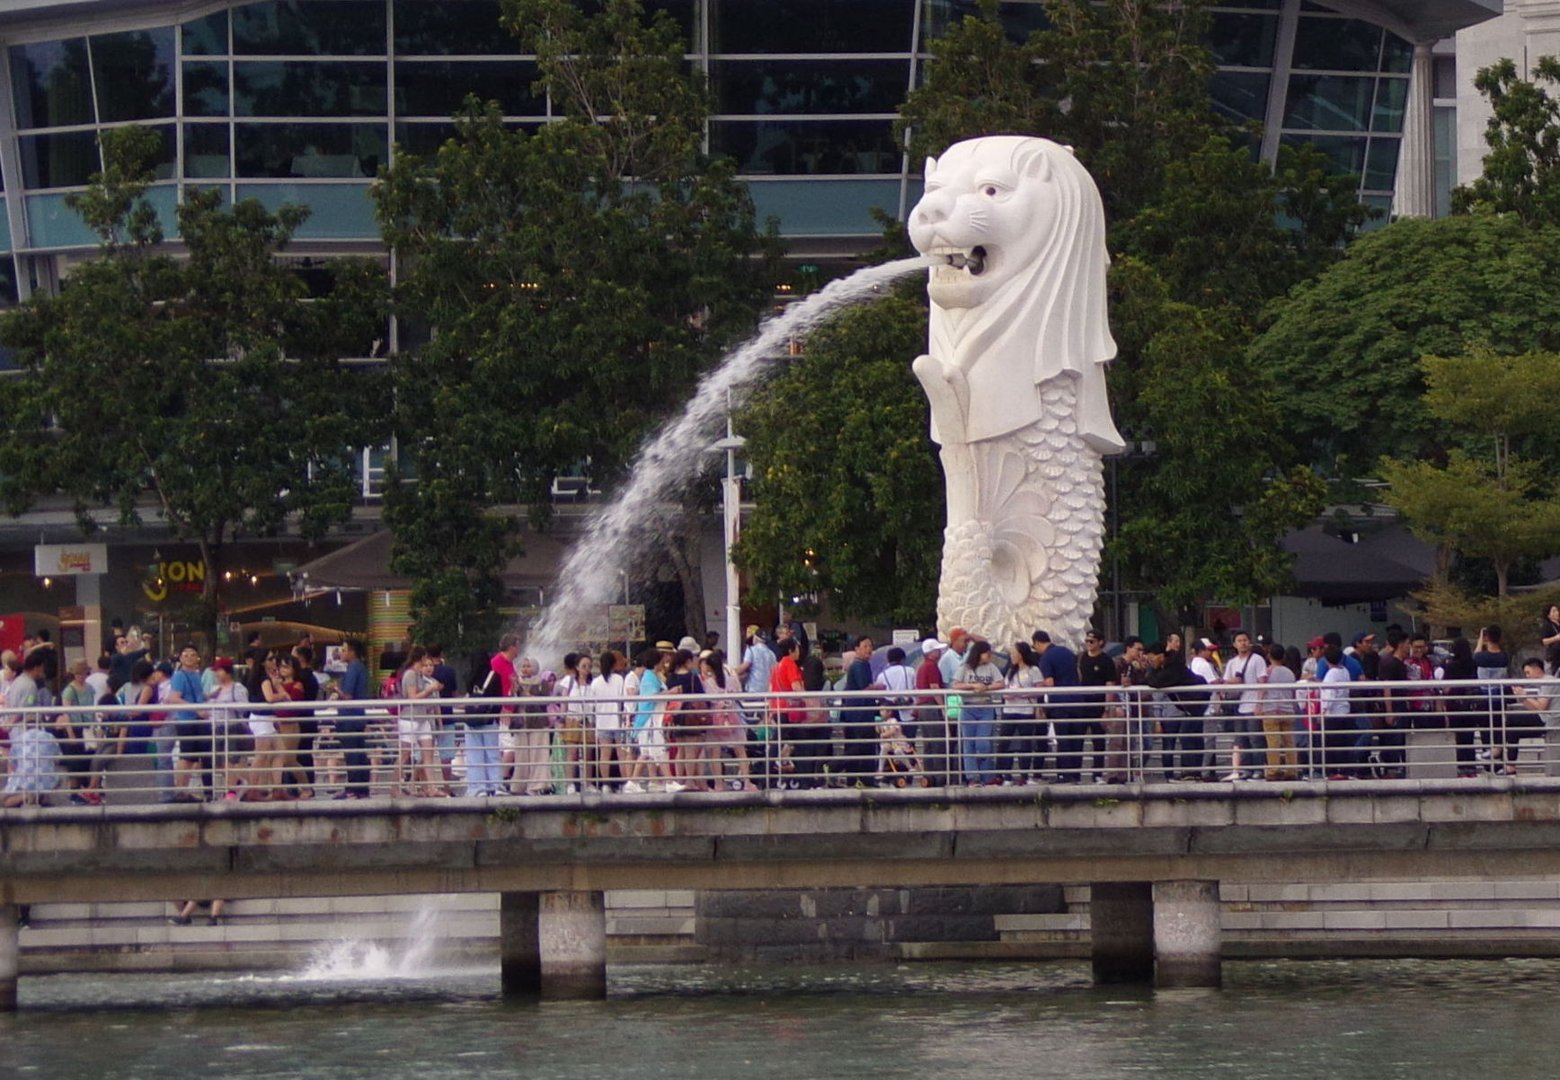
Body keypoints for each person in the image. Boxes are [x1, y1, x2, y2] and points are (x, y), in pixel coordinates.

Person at [701, 649, 755, 791]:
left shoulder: (708, 682)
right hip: (732, 715)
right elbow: (738, 692)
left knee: (715, 752)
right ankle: (747, 782)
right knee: (740, 750)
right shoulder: (731, 676)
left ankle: (719, 783)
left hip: (716, 718)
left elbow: (708, 699)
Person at [1034, 630, 1085, 782]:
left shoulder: (1046, 657)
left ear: (1037, 642)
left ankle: (1064, 775)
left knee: (1063, 740)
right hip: (1077, 701)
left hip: (1060, 704)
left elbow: (1049, 682)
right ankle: (1076, 775)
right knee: (1076, 740)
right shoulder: (1067, 652)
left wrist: (1036, 684)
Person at [1218, 632, 1268, 782]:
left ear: (1250, 642)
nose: (1243, 643)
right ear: (1234, 644)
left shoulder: (1257, 659)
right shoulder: (1232, 663)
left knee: (1255, 739)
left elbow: (1262, 682)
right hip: (1239, 706)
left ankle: (1258, 770)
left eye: (1245, 640)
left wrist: (1260, 704)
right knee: (1241, 740)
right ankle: (1246, 769)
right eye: (1239, 641)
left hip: (1253, 705)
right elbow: (1225, 682)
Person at [952, 639, 1002, 785]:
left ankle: (987, 775)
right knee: (969, 744)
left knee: (983, 742)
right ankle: (972, 777)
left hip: (986, 706)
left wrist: (987, 688)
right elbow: (956, 684)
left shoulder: (991, 667)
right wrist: (971, 686)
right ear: (979, 654)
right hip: (968, 707)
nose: (989, 656)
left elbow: (1001, 683)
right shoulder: (965, 667)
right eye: (987, 653)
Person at [397, 646, 445, 797]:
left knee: (428, 754)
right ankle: (394, 786)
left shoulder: (419, 675)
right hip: (411, 718)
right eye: (425, 660)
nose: (428, 664)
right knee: (405, 754)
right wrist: (429, 690)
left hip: (423, 718)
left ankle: (432, 787)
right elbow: (412, 698)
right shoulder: (410, 674)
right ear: (421, 658)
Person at [167, 644, 211, 801]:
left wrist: (208, 697)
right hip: (187, 720)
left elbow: (196, 695)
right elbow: (174, 697)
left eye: (192, 655)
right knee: (187, 756)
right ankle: (180, 790)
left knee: (194, 757)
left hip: (198, 719)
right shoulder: (180, 676)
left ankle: (186, 791)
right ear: (180, 658)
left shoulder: (196, 674)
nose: (189, 658)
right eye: (186, 655)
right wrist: (196, 709)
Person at [1077, 630, 1120, 783]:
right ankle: (1075, 774)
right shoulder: (1081, 658)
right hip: (1082, 704)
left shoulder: (1106, 661)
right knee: (1077, 740)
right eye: (1087, 641)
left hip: (1098, 705)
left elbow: (1110, 685)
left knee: (1098, 741)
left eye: (1092, 641)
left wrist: (1107, 709)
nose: (1088, 644)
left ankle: (1097, 774)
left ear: (1100, 642)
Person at [838, 636, 882, 785]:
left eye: (870, 646)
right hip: (859, 713)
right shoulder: (859, 665)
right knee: (863, 745)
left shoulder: (862, 664)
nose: (869, 649)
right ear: (856, 649)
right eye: (865, 646)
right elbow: (865, 687)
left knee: (861, 745)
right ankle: (837, 767)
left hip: (860, 711)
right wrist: (878, 687)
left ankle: (857, 778)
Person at [462, 648, 504, 798]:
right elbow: (499, 700)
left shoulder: (470, 677)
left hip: (472, 721)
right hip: (489, 719)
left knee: (474, 754)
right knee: (492, 753)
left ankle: (477, 787)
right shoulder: (495, 676)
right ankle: (496, 785)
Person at [333, 639, 372, 799]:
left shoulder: (353, 668)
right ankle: (361, 788)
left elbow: (348, 695)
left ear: (352, 651)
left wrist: (336, 689)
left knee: (352, 753)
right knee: (359, 751)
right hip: (357, 716)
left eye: (344, 649)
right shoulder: (360, 667)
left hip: (349, 717)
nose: (341, 652)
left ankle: (354, 788)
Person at [206, 657, 249, 799]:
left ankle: (230, 791)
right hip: (216, 727)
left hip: (232, 726)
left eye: (219, 670)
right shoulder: (214, 689)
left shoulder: (238, 688)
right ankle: (238, 783)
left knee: (229, 760)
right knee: (219, 762)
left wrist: (225, 704)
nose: (217, 674)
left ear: (228, 672)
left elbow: (244, 708)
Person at [1474, 626, 1513, 775]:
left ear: (1487, 638)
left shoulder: (1481, 657)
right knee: (1498, 730)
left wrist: (1480, 640)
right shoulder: (1504, 656)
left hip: (1485, 698)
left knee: (1485, 732)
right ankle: (1499, 762)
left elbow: (1475, 655)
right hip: (1500, 698)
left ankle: (1488, 761)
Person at [589, 650, 629, 792]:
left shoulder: (595, 682)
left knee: (604, 754)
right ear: (613, 664)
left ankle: (605, 784)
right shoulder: (619, 680)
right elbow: (624, 700)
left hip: (602, 722)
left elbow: (591, 706)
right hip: (617, 721)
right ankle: (625, 784)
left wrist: (592, 722)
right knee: (621, 754)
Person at [1260, 642, 1299, 781]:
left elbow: (1262, 689)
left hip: (1271, 710)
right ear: (1283, 656)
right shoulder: (1290, 672)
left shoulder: (1267, 671)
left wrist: (1258, 705)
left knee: (1273, 742)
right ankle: (1292, 770)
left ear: (1269, 656)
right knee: (1289, 742)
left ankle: (1273, 770)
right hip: (1287, 710)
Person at [914, 639, 950, 785]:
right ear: (931, 652)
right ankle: (941, 777)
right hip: (931, 706)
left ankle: (929, 777)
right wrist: (943, 708)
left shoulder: (922, 667)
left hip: (922, 707)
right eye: (937, 650)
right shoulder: (932, 667)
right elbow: (935, 688)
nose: (940, 652)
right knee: (938, 743)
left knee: (928, 744)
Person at [1543, 605, 1560, 677]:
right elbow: (1544, 641)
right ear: (1549, 615)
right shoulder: (1548, 626)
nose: (1557, 613)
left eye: (1557, 610)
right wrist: (1556, 638)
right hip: (1553, 658)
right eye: (1554, 611)